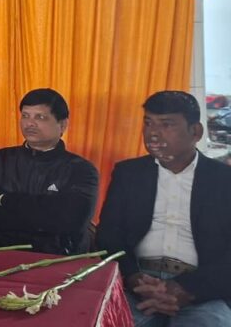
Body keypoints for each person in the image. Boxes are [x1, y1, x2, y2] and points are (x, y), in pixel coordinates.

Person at [97, 91, 231, 326]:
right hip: (136, 283)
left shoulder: (223, 180)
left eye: (166, 124)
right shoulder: (128, 174)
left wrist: (187, 289)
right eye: (148, 123)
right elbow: (108, 236)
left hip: (201, 290)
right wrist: (134, 279)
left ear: (195, 132)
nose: (153, 133)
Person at [0, 88, 99, 255]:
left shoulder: (81, 170)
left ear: (62, 124)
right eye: (25, 116)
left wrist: (4, 200)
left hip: (53, 256)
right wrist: (41, 217)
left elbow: (71, 220)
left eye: (40, 117)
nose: (29, 123)